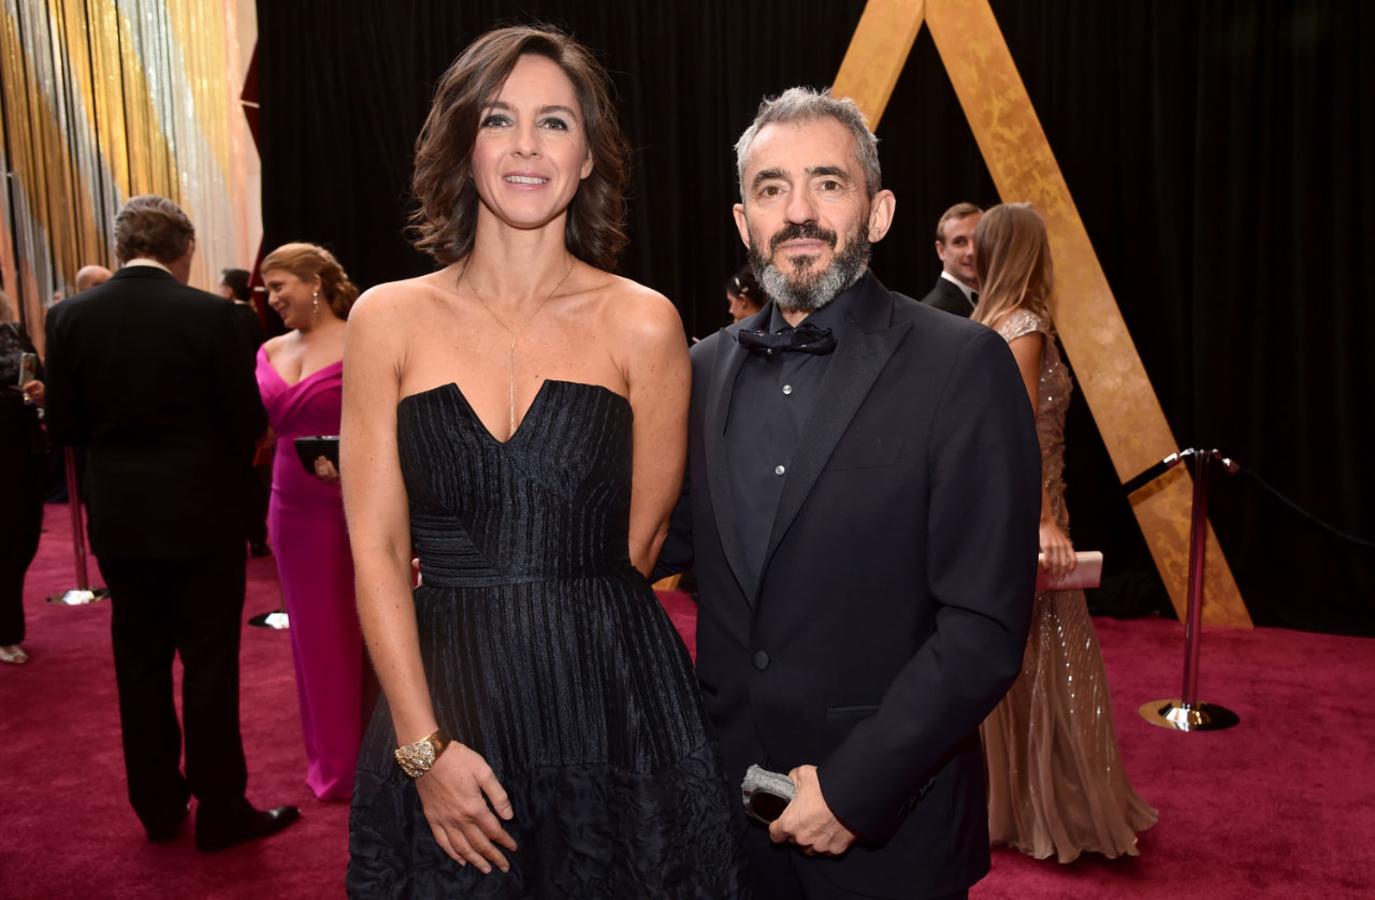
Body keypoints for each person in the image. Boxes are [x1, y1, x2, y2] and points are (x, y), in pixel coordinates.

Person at [341, 26, 744, 897]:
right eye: (498, 119)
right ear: (463, 144)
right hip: (442, 704)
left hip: (609, 704)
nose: (526, 145)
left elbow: (638, 546)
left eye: (555, 122)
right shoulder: (386, 319)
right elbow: (374, 549)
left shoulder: (645, 323)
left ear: (590, 153)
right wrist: (425, 749)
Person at [655, 87, 1042, 900]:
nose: (798, 211)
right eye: (770, 189)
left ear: (878, 211)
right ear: (742, 222)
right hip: (727, 825)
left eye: (827, 183)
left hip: (888, 833)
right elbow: (655, 541)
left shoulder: (961, 365)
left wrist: (854, 789)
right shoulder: (695, 373)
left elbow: (982, 627)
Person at [43, 195, 299, 851]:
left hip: (121, 518)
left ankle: (157, 807)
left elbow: (65, 428)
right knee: (211, 661)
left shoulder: (69, 317)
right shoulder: (217, 316)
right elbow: (247, 424)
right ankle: (221, 809)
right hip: (202, 514)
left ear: (123, 246)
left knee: (139, 661)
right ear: (184, 250)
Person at [971, 202, 1157, 863]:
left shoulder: (988, 323)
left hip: (1017, 509)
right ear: (1029, 252)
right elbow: (1017, 435)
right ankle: (1044, 804)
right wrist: (1043, 519)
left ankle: (1013, 796)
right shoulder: (1022, 327)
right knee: (1049, 653)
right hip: (1033, 514)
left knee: (1019, 655)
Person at [256, 242, 365, 802]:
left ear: (316, 281)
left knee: (354, 631)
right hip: (288, 507)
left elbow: (387, 419)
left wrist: (349, 457)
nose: (272, 299)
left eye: (280, 287)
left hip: (348, 506)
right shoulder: (269, 348)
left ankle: (365, 758)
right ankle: (330, 756)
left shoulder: (361, 338)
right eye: (267, 289)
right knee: (310, 636)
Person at [0, 289, 46, 664]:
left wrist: (39, 391)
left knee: (23, 537)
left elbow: (35, 375)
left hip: (22, 445)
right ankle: (7, 631)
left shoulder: (14, 330)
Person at [220, 266, 271, 557]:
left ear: (228, 288)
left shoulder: (228, 316)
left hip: (239, 405)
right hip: (253, 401)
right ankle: (256, 536)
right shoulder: (251, 316)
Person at [919, 202, 982, 316]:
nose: (971, 251)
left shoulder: (1000, 298)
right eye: (959, 242)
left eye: (979, 239)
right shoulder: (933, 312)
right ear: (941, 250)